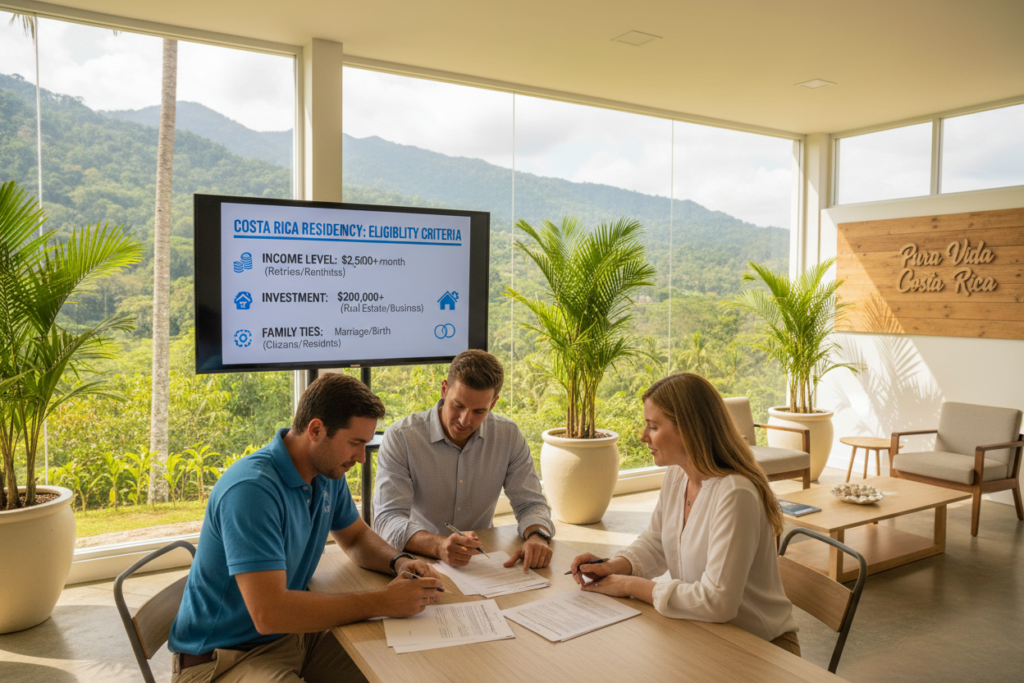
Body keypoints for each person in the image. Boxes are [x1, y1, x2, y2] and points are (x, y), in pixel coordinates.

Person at [169, 373, 443, 683]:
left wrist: (399, 561)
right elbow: (269, 613)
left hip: (289, 637)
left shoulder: (327, 474)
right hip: (224, 660)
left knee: (397, 665)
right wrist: (382, 602)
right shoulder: (251, 490)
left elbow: (355, 537)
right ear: (316, 430)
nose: (360, 458)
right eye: (355, 443)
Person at [569, 373, 800, 656]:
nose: (643, 437)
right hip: (705, 632)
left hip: (759, 646)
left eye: (653, 427)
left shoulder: (735, 493)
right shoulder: (677, 476)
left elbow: (718, 602)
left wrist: (630, 584)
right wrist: (615, 565)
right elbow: (657, 542)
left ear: (689, 430)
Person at [373, 349, 554, 571]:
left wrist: (537, 536)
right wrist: (439, 545)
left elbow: (531, 503)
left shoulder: (508, 435)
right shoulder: (402, 437)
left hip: (482, 560)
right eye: (457, 405)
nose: (464, 420)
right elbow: (387, 519)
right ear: (444, 389)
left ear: (493, 403)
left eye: (479, 411)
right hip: (418, 559)